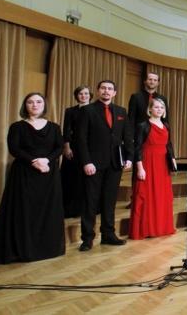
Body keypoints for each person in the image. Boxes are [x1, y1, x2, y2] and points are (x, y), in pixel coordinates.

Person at [0, 93, 64, 265]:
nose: (35, 105)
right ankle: (23, 248)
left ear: (44, 105)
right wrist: (34, 161)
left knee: (47, 210)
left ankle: (45, 248)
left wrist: (46, 160)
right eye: (30, 102)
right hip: (24, 173)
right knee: (24, 211)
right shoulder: (17, 127)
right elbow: (14, 149)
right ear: (25, 106)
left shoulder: (55, 127)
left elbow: (59, 148)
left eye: (38, 102)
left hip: (48, 174)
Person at [74, 80, 132, 251]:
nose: (106, 91)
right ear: (98, 91)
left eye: (110, 89)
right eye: (103, 88)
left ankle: (108, 235)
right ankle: (87, 238)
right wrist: (86, 161)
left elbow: (127, 136)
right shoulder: (87, 110)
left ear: (114, 93)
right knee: (90, 202)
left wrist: (129, 157)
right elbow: (81, 139)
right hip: (93, 164)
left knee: (109, 201)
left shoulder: (121, 111)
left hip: (115, 164)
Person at [130, 97, 177, 240]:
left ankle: (162, 227)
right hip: (148, 162)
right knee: (147, 195)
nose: (159, 110)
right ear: (150, 109)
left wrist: (173, 159)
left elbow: (168, 144)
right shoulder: (143, 125)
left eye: (162, 107)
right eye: (156, 107)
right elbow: (137, 148)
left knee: (162, 196)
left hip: (163, 164)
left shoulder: (166, 125)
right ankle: (146, 229)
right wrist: (140, 168)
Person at [60, 85, 90, 218]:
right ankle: (69, 209)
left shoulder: (94, 110)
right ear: (77, 96)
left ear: (90, 96)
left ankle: (84, 209)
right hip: (73, 148)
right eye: (81, 94)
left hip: (89, 148)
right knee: (70, 178)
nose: (83, 96)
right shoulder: (70, 111)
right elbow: (66, 130)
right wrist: (67, 147)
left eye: (86, 93)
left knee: (85, 180)